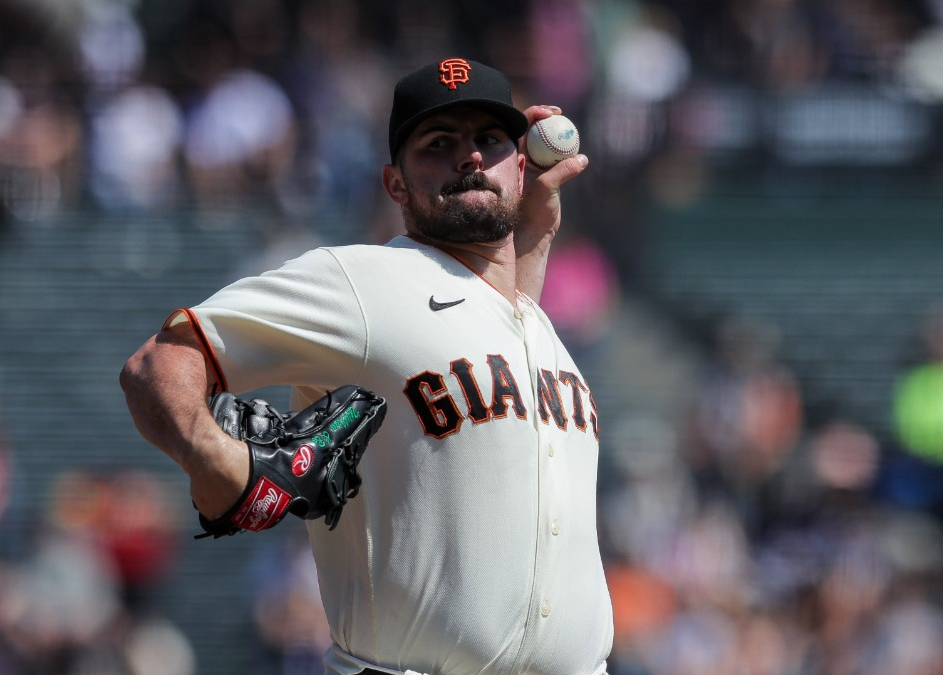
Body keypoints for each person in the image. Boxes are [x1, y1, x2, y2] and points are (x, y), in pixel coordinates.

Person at [120, 57, 612, 675]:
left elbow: (479, 334)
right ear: (395, 184)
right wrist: (216, 459)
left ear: (521, 163)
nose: (470, 158)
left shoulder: (532, 325)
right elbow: (156, 365)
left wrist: (531, 236)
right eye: (439, 144)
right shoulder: (360, 282)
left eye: (490, 140)